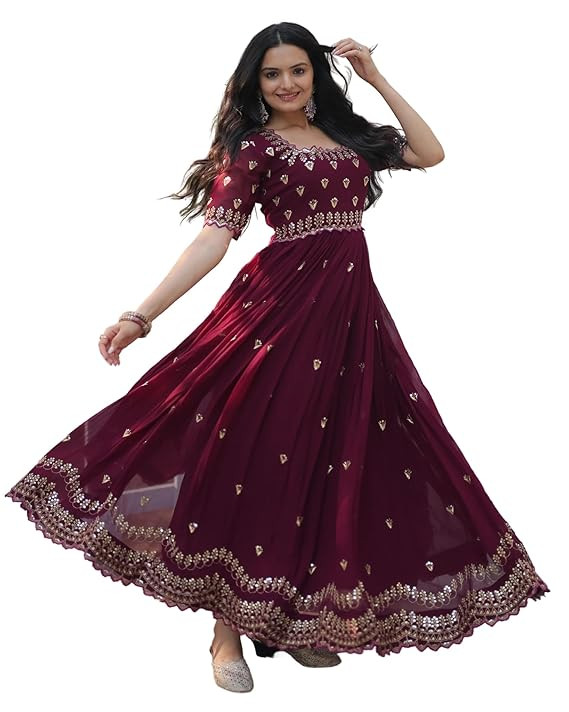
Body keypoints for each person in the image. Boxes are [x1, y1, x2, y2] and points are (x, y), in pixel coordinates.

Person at [5, 22, 549, 695]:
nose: (287, 83)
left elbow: (431, 153)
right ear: (254, 84)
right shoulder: (255, 148)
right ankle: (225, 631)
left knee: (338, 459)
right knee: (257, 456)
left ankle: (283, 622)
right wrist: (140, 315)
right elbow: (213, 239)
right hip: (275, 314)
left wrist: (376, 78)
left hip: (349, 322)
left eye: (298, 70)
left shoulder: (351, 137)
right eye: (272, 74)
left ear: (316, 74)